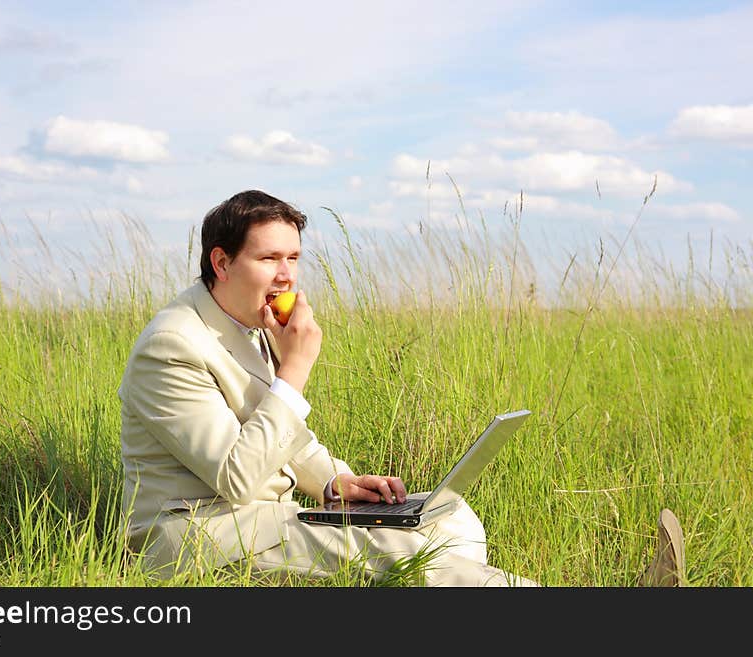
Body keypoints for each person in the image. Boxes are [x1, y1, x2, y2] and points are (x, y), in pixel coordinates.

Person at [118, 189, 686, 587]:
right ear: (221, 261)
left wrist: (336, 482)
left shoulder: (253, 321)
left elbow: (285, 436)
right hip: (194, 537)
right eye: (269, 258)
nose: (287, 274)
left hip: (269, 518)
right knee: (400, 549)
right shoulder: (173, 346)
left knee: (449, 517)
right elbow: (237, 479)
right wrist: (295, 372)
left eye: (293, 257)